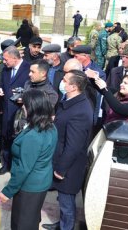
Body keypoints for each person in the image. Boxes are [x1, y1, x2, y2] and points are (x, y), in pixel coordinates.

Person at [42, 70, 93, 230]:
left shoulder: (80, 110)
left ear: (73, 86)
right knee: (63, 201)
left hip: (68, 167)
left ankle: (66, 227)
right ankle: (62, 224)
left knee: (67, 203)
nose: (61, 82)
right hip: (61, 160)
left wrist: (61, 170)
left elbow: (74, 146)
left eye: (64, 80)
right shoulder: (72, 102)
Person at [0, 89, 58, 230]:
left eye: (24, 105)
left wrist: (8, 191)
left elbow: (24, 168)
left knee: (22, 223)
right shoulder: (50, 126)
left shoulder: (33, 136)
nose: (23, 108)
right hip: (41, 181)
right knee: (31, 218)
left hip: (29, 186)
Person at [0, 46, 30, 175]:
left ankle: (16, 167)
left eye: (6, 59)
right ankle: (6, 165)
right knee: (5, 137)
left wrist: (24, 98)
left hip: (21, 112)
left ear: (15, 58)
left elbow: (33, 89)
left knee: (18, 140)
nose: (4, 62)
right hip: (6, 110)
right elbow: (2, 83)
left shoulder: (28, 69)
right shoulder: (6, 70)